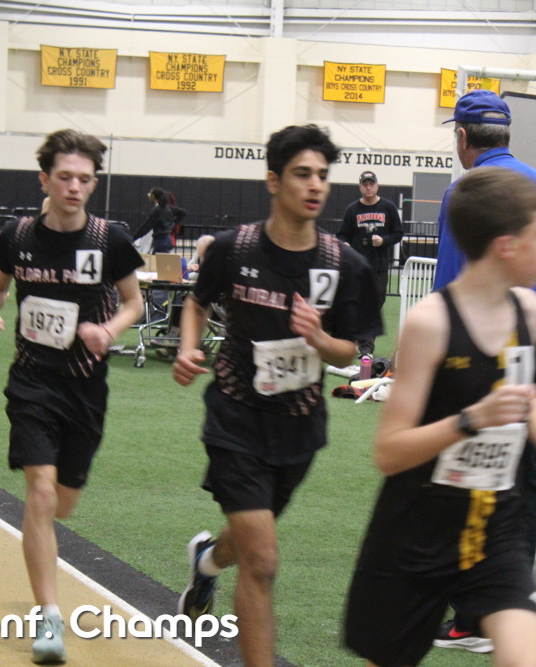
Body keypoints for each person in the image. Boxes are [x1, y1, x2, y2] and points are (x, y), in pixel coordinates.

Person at [344, 167, 536, 667]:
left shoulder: (531, 312)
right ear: (505, 246)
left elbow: (522, 395)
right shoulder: (431, 322)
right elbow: (389, 452)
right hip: (418, 530)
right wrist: (470, 419)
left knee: (524, 656)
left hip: (495, 526)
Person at [172, 124, 380, 667]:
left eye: (322, 176)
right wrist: (188, 349)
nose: (315, 186)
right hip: (235, 417)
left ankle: (206, 563)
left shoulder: (343, 264)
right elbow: (197, 302)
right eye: (302, 174)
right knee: (262, 561)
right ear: (273, 180)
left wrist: (320, 339)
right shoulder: (234, 249)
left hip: (298, 427)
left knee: (246, 543)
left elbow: (350, 351)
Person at [0, 128, 144, 664]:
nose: (74, 187)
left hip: (85, 387)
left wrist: (108, 330)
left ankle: (46, 559)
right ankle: (48, 616)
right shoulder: (18, 235)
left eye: (84, 179)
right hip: (32, 381)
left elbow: (134, 303)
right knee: (41, 494)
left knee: (62, 503)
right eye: (65, 177)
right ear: (44, 179)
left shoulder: (109, 240)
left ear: (94, 184)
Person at [431, 89, 536, 652]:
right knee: (524, 474)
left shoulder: (467, 192)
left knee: (469, 466)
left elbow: (451, 283)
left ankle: (474, 613)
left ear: (462, 137)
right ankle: (514, 594)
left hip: (479, 347)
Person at [336, 170, 403, 328]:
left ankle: (362, 331)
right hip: (358, 266)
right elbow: (342, 234)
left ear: (377, 186)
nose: (368, 187)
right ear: (360, 187)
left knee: (378, 300)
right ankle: (364, 338)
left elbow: (398, 233)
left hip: (379, 265)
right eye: (364, 184)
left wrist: (384, 240)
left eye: (371, 184)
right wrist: (345, 244)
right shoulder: (352, 209)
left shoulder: (388, 207)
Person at [136, 187, 187, 253]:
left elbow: (147, 226)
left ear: (153, 196)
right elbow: (183, 212)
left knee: (160, 259)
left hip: (161, 241)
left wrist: (135, 237)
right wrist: (173, 223)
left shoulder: (157, 210)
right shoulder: (168, 207)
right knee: (158, 257)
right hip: (166, 239)